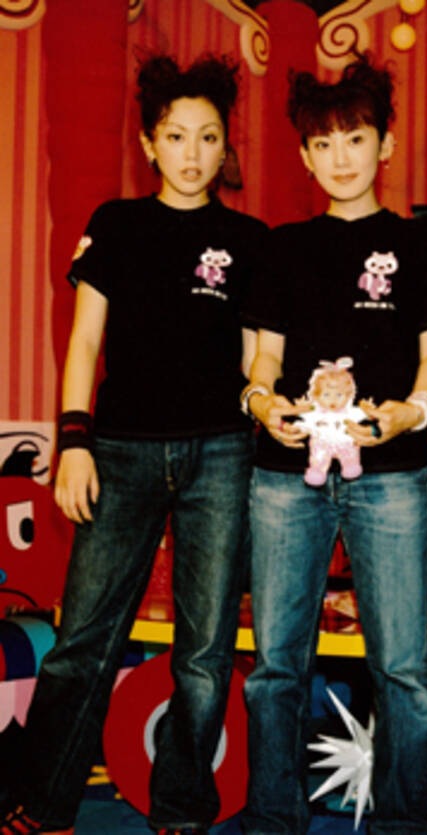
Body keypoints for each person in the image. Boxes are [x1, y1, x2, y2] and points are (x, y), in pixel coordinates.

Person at [1, 54, 267, 835]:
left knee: (205, 650)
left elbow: (257, 358)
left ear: (225, 146)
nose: (192, 153)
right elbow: (85, 342)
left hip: (222, 453)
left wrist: (284, 404)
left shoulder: (248, 240)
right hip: (117, 451)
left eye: (208, 136)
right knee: (81, 639)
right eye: (175, 135)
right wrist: (73, 441)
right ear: (150, 144)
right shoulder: (115, 224)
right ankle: (42, 803)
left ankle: (181, 808)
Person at [239, 55, 427, 835]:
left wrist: (409, 414)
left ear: (385, 145)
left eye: (356, 139)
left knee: (403, 667)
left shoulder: (420, 245)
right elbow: (263, 356)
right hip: (283, 476)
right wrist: (263, 403)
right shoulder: (281, 247)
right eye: (323, 144)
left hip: (392, 475)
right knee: (275, 664)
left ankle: (402, 820)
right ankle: (273, 817)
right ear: (304, 155)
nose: (341, 157)